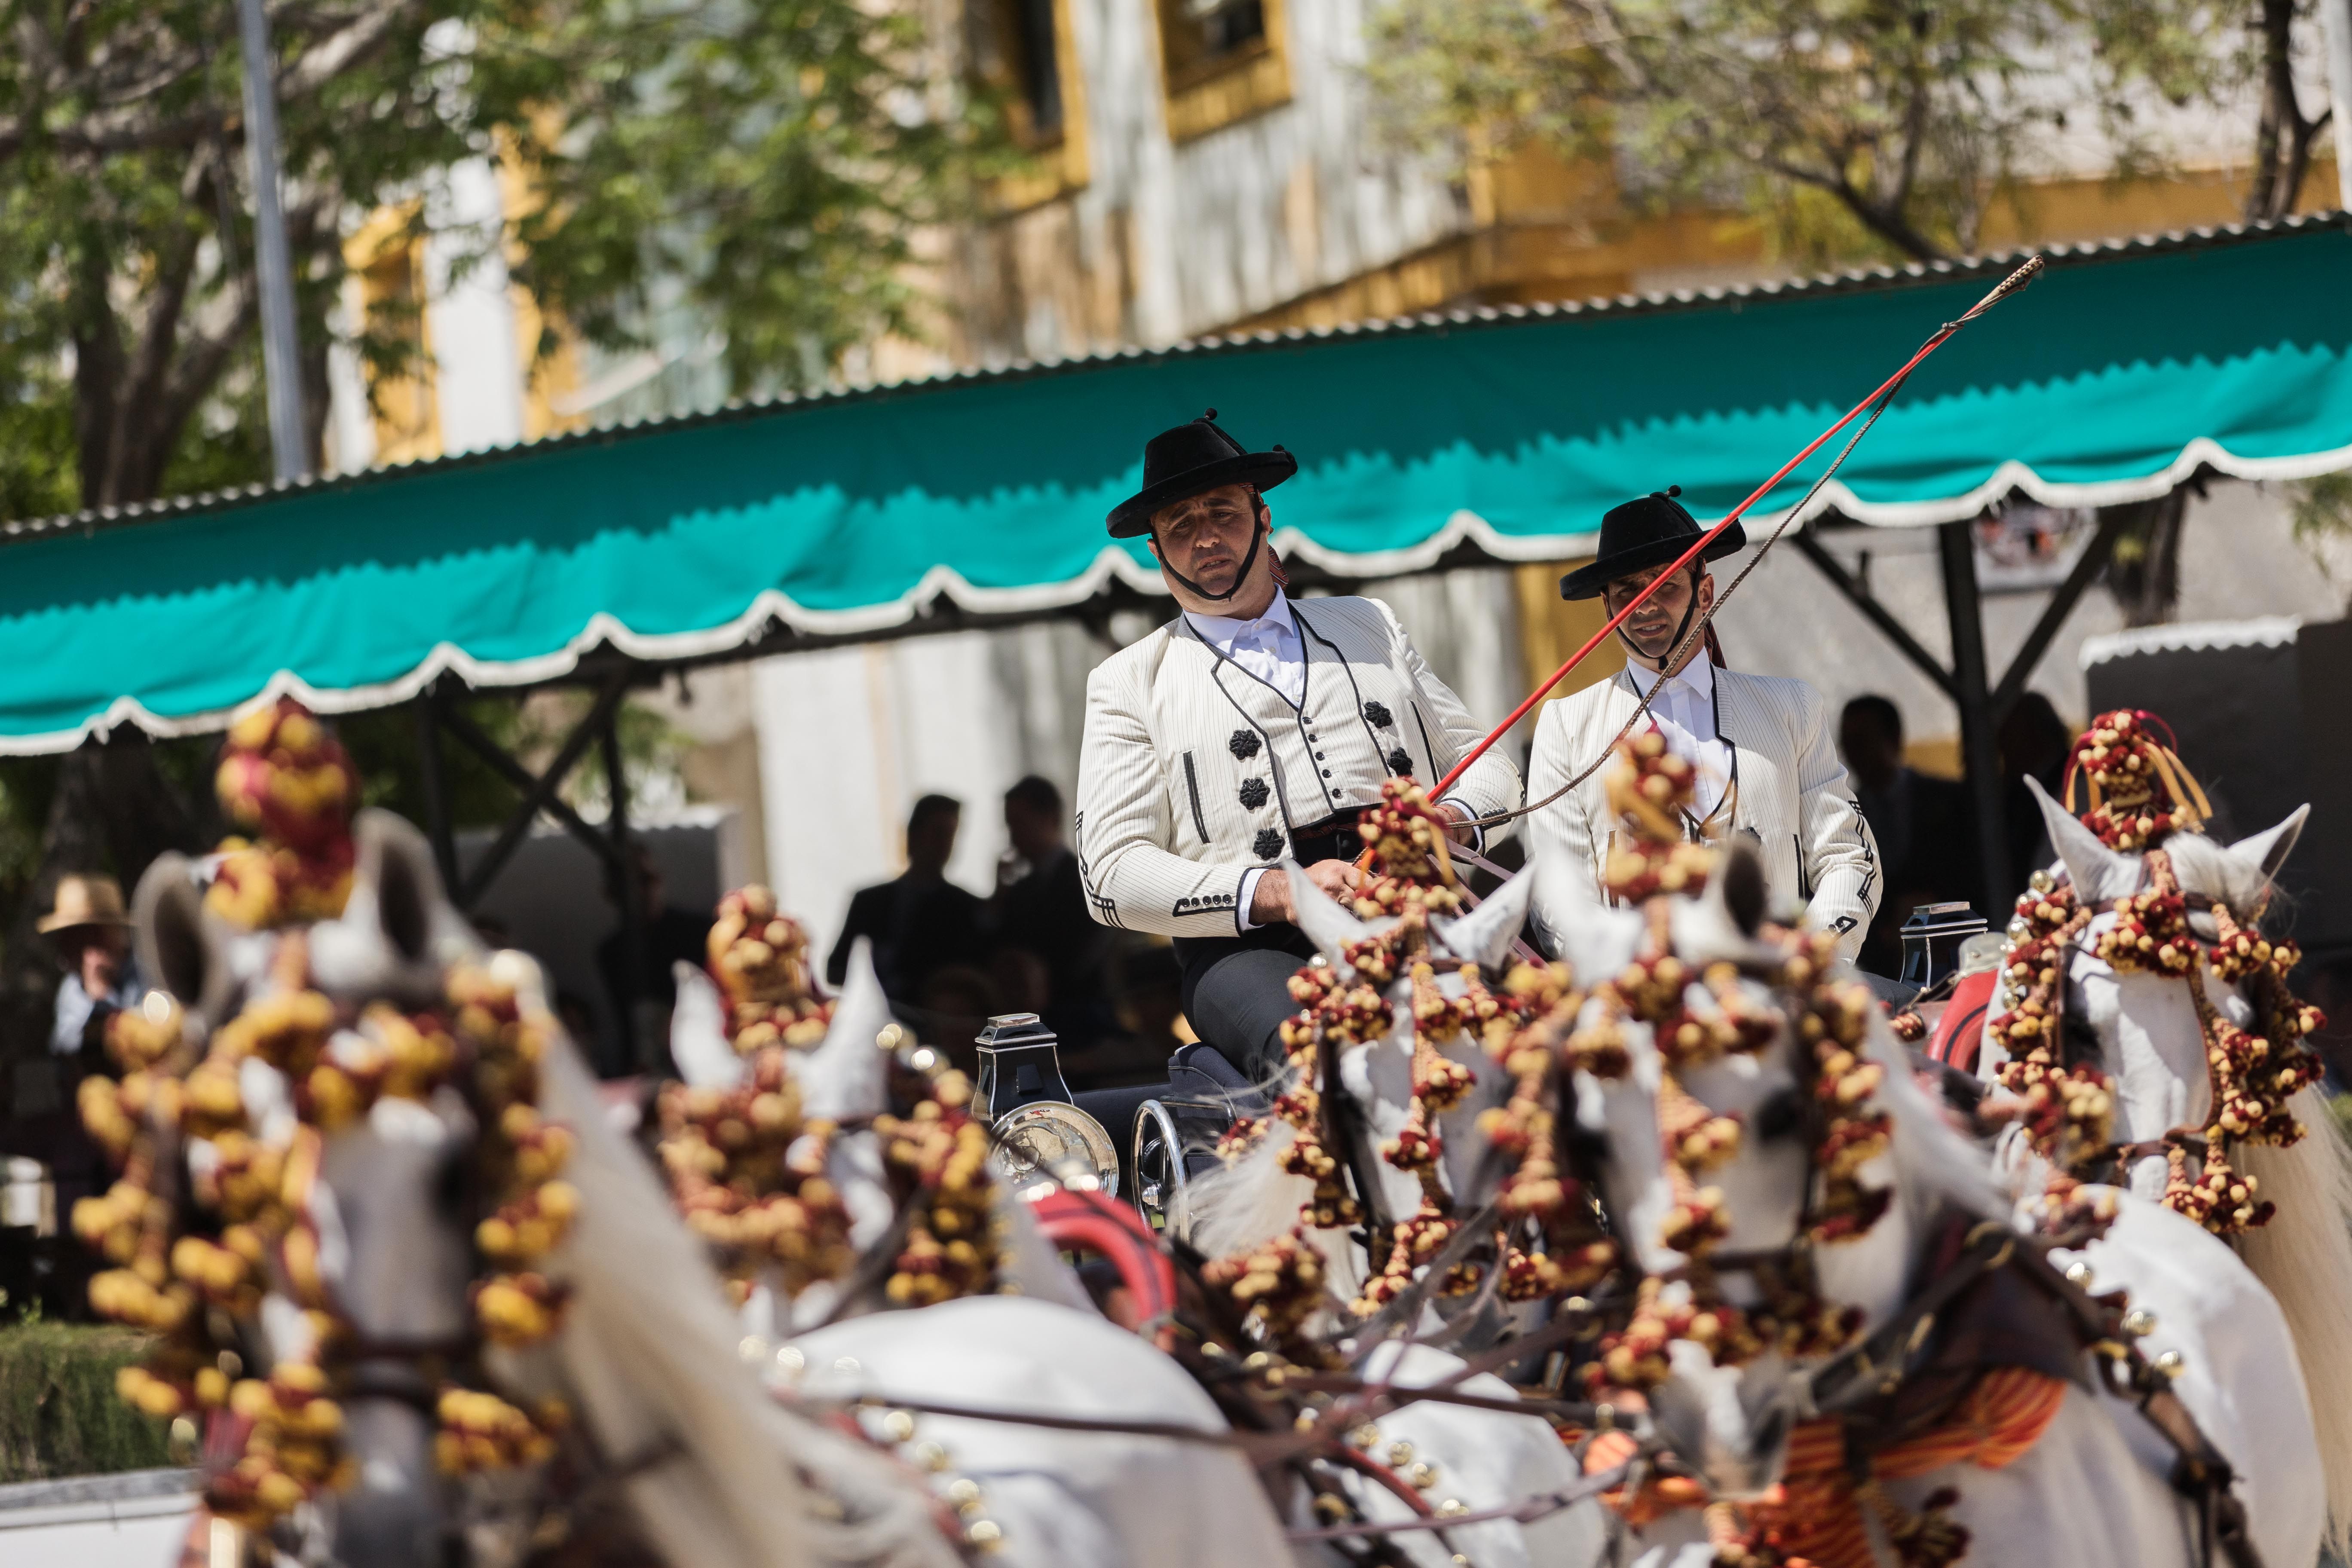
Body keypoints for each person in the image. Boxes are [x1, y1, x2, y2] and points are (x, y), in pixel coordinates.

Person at [1075, 410, 1522, 1081]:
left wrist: (1452, 819)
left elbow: (1488, 764)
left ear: (1263, 518)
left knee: (1554, 1040)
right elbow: (1108, 874)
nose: (1206, 539)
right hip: (1251, 948)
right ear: (1156, 551)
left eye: (1223, 513)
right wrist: (1279, 892)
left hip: (1417, 903)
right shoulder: (1127, 681)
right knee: (1333, 1063)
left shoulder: (1370, 623)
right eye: (1181, 526)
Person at [1526, 489, 1878, 959]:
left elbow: (1845, 857)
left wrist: (1803, 961)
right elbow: (1558, 892)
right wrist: (1632, 983)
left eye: (1666, 584)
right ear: (1608, 608)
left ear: (1706, 592)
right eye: (1627, 590)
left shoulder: (1792, 707)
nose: (1646, 606)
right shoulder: (1565, 725)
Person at [1838, 695, 1972, 974]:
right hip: (1876, 968)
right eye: (1847, 743)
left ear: (1894, 738)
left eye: (1862, 740)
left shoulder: (1948, 800)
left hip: (1951, 958)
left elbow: (1972, 874)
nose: (1853, 753)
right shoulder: (1842, 816)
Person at [827, 794, 986, 1003]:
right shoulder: (869, 902)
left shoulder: (966, 908)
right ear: (914, 834)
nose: (944, 845)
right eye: (938, 833)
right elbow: (836, 969)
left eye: (950, 835)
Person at [991, 775, 1113, 1044]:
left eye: (1019, 824)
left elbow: (1085, 952)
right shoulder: (1019, 890)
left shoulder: (1085, 879)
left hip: (1080, 1016)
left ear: (1051, 818)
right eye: (1010, 826)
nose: (1013, 838)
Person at [594, 847, 710, 1075]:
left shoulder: (698, 931)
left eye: (647, 880)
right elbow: (625, 1022)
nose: (641, 892)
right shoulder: (612, 951)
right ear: (611, 893)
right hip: (644, 1069)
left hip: (699, 1059)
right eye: (628, 884)